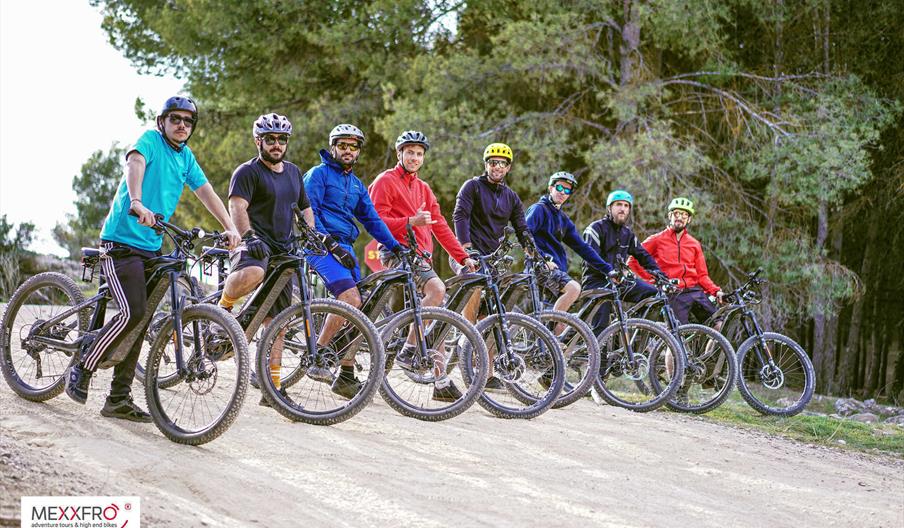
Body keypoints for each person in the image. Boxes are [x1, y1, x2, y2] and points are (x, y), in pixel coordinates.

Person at [65, 96, 241, 421]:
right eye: (175, 119)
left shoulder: (185, 157)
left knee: (142, 319)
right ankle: (82, 367)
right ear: (163, 121)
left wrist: (230, 228)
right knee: (133, 311)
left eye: (188, 121)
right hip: (120, 241)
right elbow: (135, 165)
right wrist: (137, 201)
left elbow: (206, 193)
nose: (182, 125)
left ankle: (118, 399)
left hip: (151, 245)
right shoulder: (150, 140)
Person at [368, 130, 477, 402]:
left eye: (419, 154)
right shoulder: (385, 181)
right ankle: (410, 352)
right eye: (410, 152)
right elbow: (374, 222)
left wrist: (463, 257)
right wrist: (410, 222)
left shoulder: (423, 188)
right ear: (399, 154)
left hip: (420, 258)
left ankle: (438, 382)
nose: (415, 158)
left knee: (422, 318)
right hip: (398, 253)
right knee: (436, 292)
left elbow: (440, 226)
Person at [216, 113, 316, 407]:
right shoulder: (248, 171)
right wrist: (248, 236)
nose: (276, 144)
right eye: (270, 139)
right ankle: (221, 310)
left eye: (281, 139)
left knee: (278, 324)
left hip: (285, 251)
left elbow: (305, 207)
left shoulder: (294, 173)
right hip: (256, 244)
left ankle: (272, 390)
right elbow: (237, 206)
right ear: (258, 141)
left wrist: (312, 234)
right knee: (253, 274)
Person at [304, 123, 404, 398]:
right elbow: (309, 211)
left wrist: (395, 246)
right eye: (343, 145)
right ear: (333, 147)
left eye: (353, 146)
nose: (348, 151)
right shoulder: (318, 174)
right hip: (319, 246)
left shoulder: (356, 184)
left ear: (358, 151)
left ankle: (346, 373)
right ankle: (320, 354)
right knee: (351, 300)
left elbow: (372, 219)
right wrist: (327, 241)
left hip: (344, 247)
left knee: (363, 311)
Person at [452, 142, 533, 389]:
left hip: (494, 260)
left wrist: (531, 249)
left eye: (502, 163)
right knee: (475, 286)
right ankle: (468, 337)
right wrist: (465, 247)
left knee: (491, 314)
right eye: (492, 162)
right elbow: (460, 215)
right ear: (486, 164)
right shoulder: (473, 187)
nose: (497, 166)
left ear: (508, 168)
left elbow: (522, 227)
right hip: (466, 254)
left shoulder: (511, 197)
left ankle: (485, 374)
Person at [525, 172, 614, 327]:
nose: (562, 192)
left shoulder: (563, 219)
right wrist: (543, 258)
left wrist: (608, 270)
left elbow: (583, 248)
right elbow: (525, 235)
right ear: (550, 188)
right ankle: (548, 337)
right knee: (573, 289)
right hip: (539, 267)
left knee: (562, 323)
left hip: (556, 271)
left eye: (567, 190)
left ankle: (552, 348)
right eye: (559, 187)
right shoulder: (539, 209)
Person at [582, 190, 667, 334]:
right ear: (609, 208)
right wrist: (609, 272)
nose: (623, 208)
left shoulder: (627, 234)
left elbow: (643, 255)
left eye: (626, 206)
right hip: (596, 282)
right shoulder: (595, 229)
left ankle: (635, 331)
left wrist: (658, 273)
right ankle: (599, 355)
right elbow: (590, 258)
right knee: (600, 328)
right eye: (618, 205)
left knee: (653, 294)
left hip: (619, 282)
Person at [628, 197, 724, 324]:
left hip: (694, 290)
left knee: (718, 324)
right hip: (673, 292)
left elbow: (702, 275)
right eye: (676, 213)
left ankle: (705, 344)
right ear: (669, 216)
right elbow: (633, 261)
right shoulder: (656, 240)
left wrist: (715, 291)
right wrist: (652, 279)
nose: (680, 217)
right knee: (677, 332)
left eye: (684, 215)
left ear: (689, 219)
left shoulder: (694, 244)